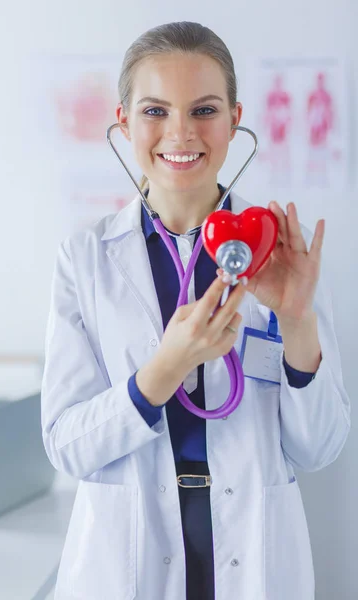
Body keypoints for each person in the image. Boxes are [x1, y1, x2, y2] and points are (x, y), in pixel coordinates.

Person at [41, 21, 351, 600]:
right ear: (125, 122)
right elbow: (66, 445)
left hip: (254, 562)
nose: (180, 132)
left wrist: (297, 322)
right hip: (126, 566)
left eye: (204, 109)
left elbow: (321, 447)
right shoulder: (85, 259)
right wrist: (163, 372)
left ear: (235, 120)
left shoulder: (285, 248)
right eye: (155, 110)